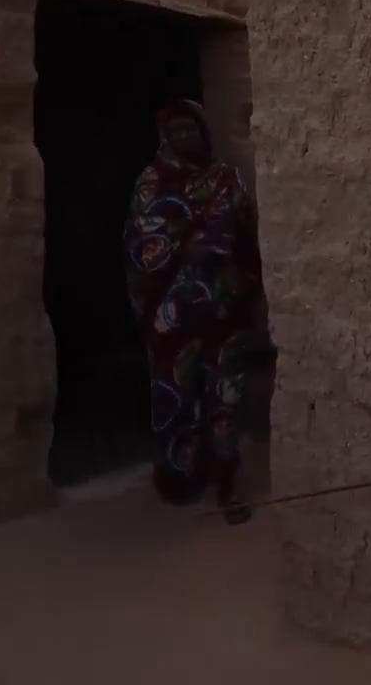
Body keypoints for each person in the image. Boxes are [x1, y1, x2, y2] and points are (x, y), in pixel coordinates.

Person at [124, 99, 271, 525]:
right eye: (177, 131)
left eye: (192, 129)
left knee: (225, 398)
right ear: (165, 137)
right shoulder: (151, 183)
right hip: (173, 318)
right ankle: (182, 481)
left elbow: (248, 230)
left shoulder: (225, 178)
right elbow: (140, 243)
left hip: (223, 312)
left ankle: (226, 484)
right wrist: (188, 244)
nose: (186, 137)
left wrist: (232, 262)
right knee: (177, 398)